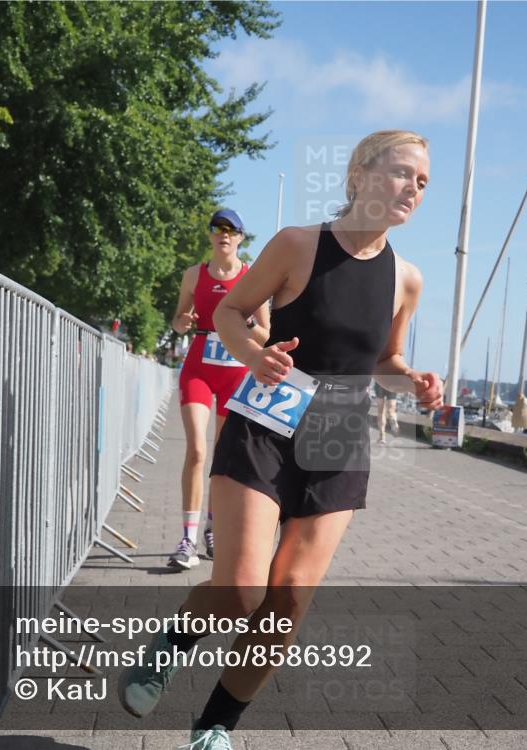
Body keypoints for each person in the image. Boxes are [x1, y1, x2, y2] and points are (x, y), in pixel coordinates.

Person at [118, 130, 444, 748]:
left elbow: (383, 360)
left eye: (423, 182)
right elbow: (228, 313)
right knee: (241, 589)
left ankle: (214, 727)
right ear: (360, 175)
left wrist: (416, 382)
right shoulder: (298, 245)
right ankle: (172, 643)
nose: (413, 190)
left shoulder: (407, 279)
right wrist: (253, 355)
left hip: (339, 435)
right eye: (403, 173)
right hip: (267, 422)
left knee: (288, 600)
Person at [169, 209, 269, 570]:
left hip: (235, 374)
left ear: (240, 238)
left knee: (221, 461)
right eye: (217, 228)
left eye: (231, 230)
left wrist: (244, 322)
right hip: (198, 369)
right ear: (210, 236)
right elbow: (179, 322)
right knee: (196, 451)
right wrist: (183, 321)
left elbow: (264, 333)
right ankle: (186, 539)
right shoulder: (193, 275)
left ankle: (212, 527)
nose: (223, 235)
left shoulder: (251, 278)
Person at [373, 380, 398, 444]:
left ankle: (382, 437)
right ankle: (393, 419)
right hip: (393, 382)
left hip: (380, 382)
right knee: (391, 409)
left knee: (380, 411)